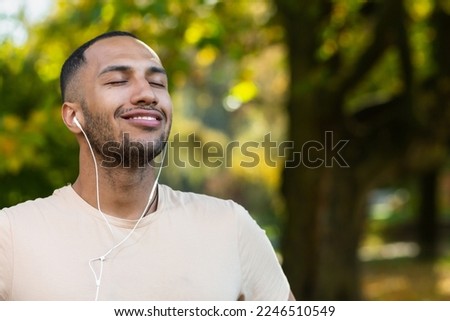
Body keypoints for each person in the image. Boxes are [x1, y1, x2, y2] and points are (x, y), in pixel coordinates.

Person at [0, 31, 293, 301]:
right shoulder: (11, 236)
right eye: (117, 81)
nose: (147, 94)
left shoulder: (230, 227)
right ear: (74, 116)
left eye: (157, 83)